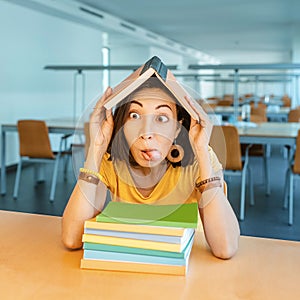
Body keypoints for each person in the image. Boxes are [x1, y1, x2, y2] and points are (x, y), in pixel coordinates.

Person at [62, 78, 240, 259]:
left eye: (161, 118)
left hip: (187, 266)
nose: (146, 133)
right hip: (132, 263)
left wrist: (202, 152)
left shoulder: (200, 161)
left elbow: (225, 248)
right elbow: (71, 238)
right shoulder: (110, 161)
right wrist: (96, 147)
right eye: (135, 116)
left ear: (178, 128)